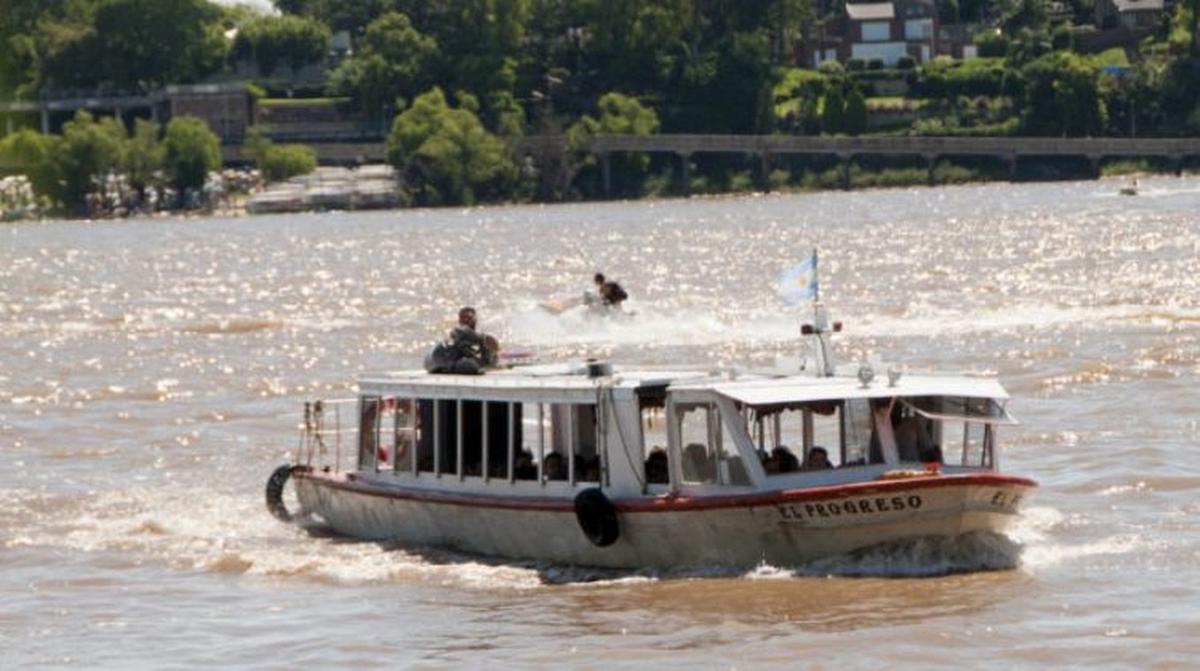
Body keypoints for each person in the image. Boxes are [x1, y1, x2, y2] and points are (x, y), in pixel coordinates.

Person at [425, 306, 500, 374]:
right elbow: (462, 334)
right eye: (464, 317)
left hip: (436, 363)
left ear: (475, 319)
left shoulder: (469, 339)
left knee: (475, 362)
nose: (466, 320)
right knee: (471, 365)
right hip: (436, 359)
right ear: (459, 319)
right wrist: (483, 339)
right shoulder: (460, 331)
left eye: (469, 318)